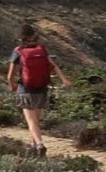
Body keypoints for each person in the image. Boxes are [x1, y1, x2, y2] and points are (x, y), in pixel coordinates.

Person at [5, 23, 67, 155]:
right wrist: (64, 79)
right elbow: (53, 65)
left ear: (20, 37)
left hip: (25, 89)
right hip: (42, 88)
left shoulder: (18, 51)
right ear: (34, 35)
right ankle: (34, 147)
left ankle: (39, 144)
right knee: (36, 121)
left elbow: (10, 75)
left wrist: (12, 86)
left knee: (31, 120)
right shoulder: (42, 49)